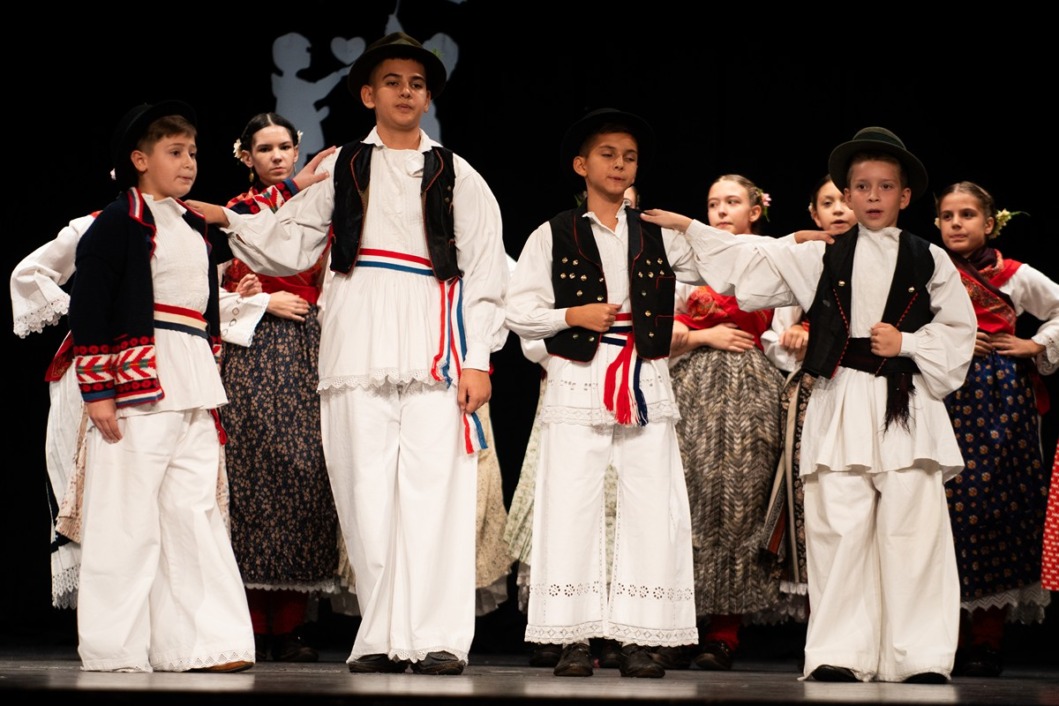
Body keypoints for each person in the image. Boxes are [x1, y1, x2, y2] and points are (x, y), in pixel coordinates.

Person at [197, 32, 509, 676]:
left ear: (428, 98)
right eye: (392, 82)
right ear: (368, 94)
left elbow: (484, 273)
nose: (405, 92)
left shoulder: (457, 173)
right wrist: (228, 221)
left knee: (434, 492)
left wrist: (477, 357)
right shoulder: (343, 166)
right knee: (364, 491)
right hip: (356, 337)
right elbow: (288, 242)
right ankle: (383, 635)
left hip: (433, 340)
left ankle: (439, 637)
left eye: (417, 84)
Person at [643, 126, 977, 683]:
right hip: (841, 398)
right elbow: (749, 260)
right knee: (838, 527)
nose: (873, 196)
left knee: (912, 530)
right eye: (862, 186)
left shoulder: (930, 259)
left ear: (904, 196)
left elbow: (960, 333)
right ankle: (840, 651)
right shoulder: (818, 255)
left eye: (885, 186)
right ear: (846, 195)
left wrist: (908, 343)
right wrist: (690, 229)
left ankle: (919, 656)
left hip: (906, 404)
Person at [67, 99, 300, 672]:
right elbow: (90, 308)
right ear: (140, 159)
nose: (189, 162)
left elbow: (202, 305)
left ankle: (203, 643)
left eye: (193, 152)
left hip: (192, 373)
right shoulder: (117, 222)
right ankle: (115, 647)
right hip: (140, 377)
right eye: (175, 152)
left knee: (194, 511)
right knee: (127, 515)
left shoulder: (192, 224)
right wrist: (99, 391)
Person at [505, 108, 704, 679]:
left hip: (643, 374)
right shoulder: (554, 232)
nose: (619, 164)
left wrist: (693, 236)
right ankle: (572, 635)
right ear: (581, 165)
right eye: (608, 154)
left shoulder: (658, 233)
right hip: (581, 373)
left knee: (650, 502)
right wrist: (572, 315)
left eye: (629, 157)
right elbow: (518, 309)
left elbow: (720, 266)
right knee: (572, 501)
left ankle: (639, 635)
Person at [503, 185, 640, 672]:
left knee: (622, 511)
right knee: (568, 504)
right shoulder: (561, 245)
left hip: (629, 389)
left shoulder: (642, 249)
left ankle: (619, 628)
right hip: (572, 385)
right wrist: (566, 345)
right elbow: (531, 330)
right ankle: (566, 628)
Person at [219, 112, 340, 663]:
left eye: (285, 147)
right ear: (247, 156)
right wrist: (255, 296)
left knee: (305, 474)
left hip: (310, 347)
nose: (276, 156)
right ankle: (248, 623)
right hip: (251, 351)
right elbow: (207, 289)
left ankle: (290, 624)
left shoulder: (319, 212)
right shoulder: (239, 211)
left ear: (297, 151)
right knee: (250, 473)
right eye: (265, 148)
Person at [661, 174, 784, 672]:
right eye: (713, 203)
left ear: (755, 210)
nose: (721, 211)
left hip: (750, 387)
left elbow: (783, 331)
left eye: (732, 202)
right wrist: (700, 336)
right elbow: (661, 328)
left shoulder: (771, 257)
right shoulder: (688, 261)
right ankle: (677, 626)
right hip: (689, 384)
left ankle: (725, 630)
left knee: (738, 504)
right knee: (685, 500)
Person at [934, 181, 1058, 677]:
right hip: (940, 396)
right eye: (947, 215)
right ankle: (943, 636)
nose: (956, 223)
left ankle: (987, 639)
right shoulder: (928, 271)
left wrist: (1035, 345)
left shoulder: (1013, 274)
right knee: (940, 515)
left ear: (989, 224)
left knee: (996, 510)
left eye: (967, 215)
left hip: (999, 400)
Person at [760, 176, 856, 626]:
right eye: (827, 203)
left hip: (872, 387)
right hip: (815, 391)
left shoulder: (897, 257)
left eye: (844, 200)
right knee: (816, 500)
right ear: (814, 215)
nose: (838, 210)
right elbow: (775, 337)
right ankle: (824, 623)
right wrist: (793, 336)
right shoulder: (803, 262)